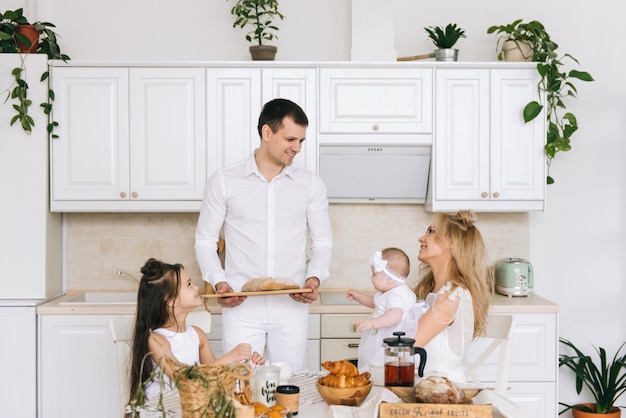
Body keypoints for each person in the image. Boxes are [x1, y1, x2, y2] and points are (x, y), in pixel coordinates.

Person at [194, 98, 333, 372]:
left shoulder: (310, 184)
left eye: (302, 141)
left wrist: (314, 277)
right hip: (241, 309)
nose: (297, 148)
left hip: (291, 309)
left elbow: (323, 243)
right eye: (291, 139)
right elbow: (205, 241)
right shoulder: (224, 180)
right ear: (267, 133)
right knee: (242, 387)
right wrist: (220, 282)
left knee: (289, 388)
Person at [129, 258, 265, 402]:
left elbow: (214, 374)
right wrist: (230, 357)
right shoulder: (156, 339)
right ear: (170, 301)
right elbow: (183, 378)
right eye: (188, 284)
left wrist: (247, 364)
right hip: (165, 407)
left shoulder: (197, 334)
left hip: (191, 405)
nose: (196, 288)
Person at [411, 210, 493, 383]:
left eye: (431, 231)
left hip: (442, 395)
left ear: (451, 243)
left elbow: (406, 347)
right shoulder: (435, 292)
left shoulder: (450, 298)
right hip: (426, 386)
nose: (421, 238)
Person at [347, 248, 427, 373]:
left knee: (378, 360)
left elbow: (396, 315)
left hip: (387, 335)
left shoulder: (395, 296)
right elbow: (376, 303)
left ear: (389, 279)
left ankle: (374, 375)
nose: (371, 277)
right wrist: (359, 297)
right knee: (374, 360)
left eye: (374, 274)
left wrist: (372, 323)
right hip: (383, 331)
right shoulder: (389, 293)